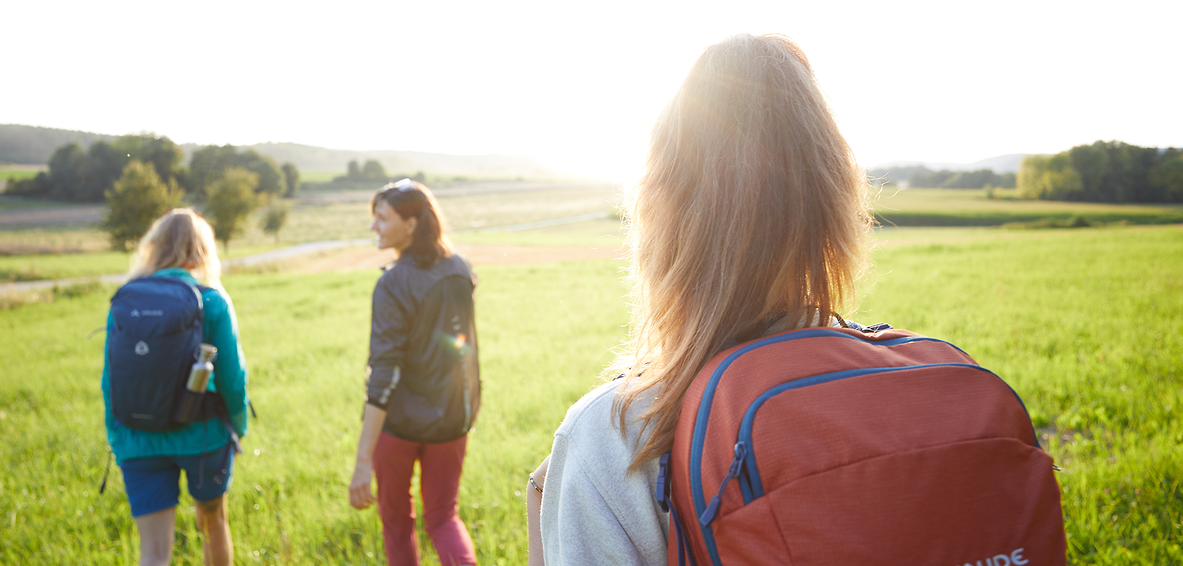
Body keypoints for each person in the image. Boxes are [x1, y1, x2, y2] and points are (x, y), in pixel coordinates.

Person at [531, 34, 871, 565]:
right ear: (834, 204)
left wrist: (549, 498)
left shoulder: (619, 434)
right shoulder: (933, 384)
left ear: (659, 212)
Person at [102, 209, 250, 566]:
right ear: (202, 250)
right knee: (213, 524)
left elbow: (110, 378)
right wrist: (238, 427)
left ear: (153, 246)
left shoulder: (126, 299)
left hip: (137, 439)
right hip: (204, 436)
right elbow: (232, 377)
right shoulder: (212, 300)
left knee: (153, 552)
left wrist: (117, 434)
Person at [349, 179, 481, 566]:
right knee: (444, 517)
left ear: (411, 223)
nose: (374, 226)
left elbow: (384, 370)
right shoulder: (461, 270)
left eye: (382, 217)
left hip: (398, 426)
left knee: (396, 522)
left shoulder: (392, 283)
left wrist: (362, 460)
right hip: (452, 420)